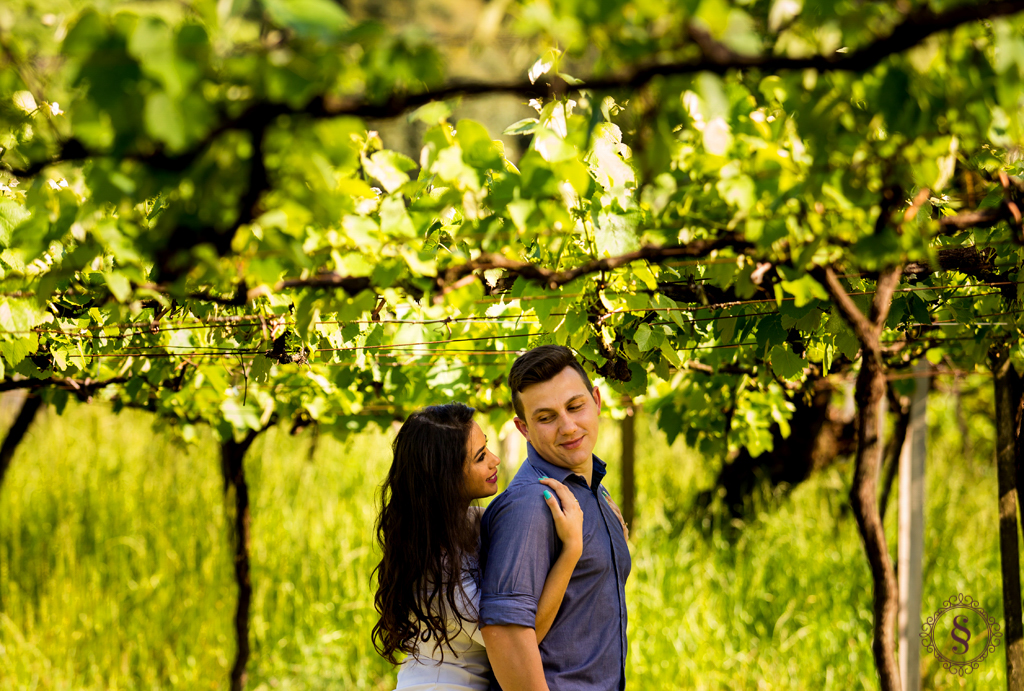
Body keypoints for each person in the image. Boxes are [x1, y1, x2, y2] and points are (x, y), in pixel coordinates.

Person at [371, 402, 587, 691]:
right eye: (480, 457)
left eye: (487, 448)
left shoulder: (470, 521)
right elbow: (517, 640)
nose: (495, 460)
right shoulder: (438, 563)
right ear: (445, 476)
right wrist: (572, 551)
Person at [479, 345, 631, 691]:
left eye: (575, 406)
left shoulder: (592, 490)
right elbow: (505, 636)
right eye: (546, 418)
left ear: (596, 400)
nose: (567, 427)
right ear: (524, 428)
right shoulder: (532, 503)